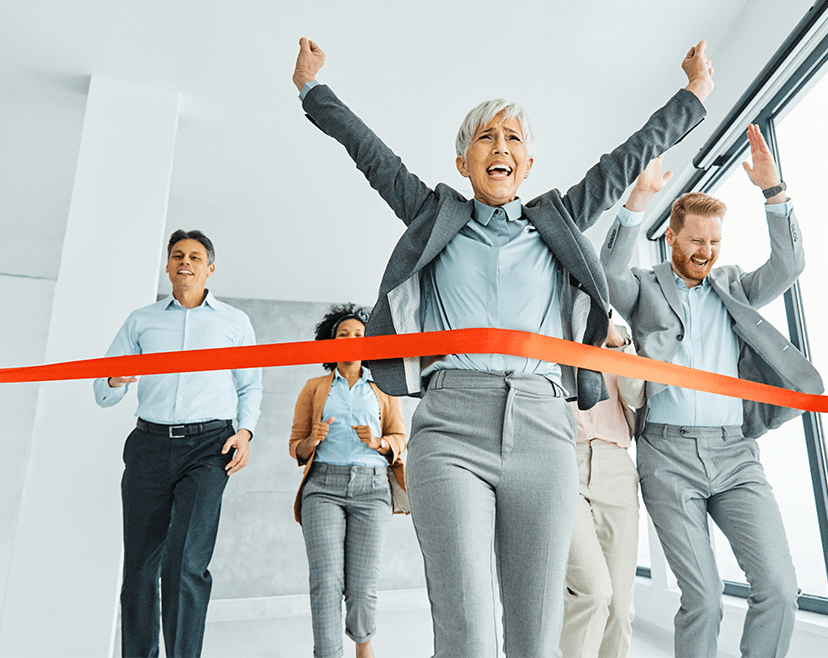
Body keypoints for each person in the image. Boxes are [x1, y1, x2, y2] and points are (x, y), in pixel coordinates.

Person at [291, 36, 712, 657]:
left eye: (513, 139)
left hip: (544, 429)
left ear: (528, 166)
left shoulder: (558, 222)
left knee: (535, 638)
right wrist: (311, 88)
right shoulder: (434, 215)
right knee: (466, 635)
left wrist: (694, 95)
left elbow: (628, 157)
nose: (501, 148)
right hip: (451, 428)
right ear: (464, 162)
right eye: (487, 138)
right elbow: (372, 156)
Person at [600, 126, 824, 658]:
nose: (706, 251)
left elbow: (789, 265)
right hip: (668, 455)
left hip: (735, 455)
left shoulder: (735, 286)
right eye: (696, 240)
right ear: (673, 237)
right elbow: (607, 271)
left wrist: (775, 193)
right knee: (704, 598)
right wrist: (638, 201)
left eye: (715, 242)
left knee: (780, 590)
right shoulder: (646, 288)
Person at [94, 229, 262, 658]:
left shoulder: (234, 323)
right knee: (140, 569)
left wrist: (245, 433)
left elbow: (250, 387)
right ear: (168, 266)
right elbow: (102, 389)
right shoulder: (141, 321)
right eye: (176, 255)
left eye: (194, 256)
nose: (184, 261)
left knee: (184, 563)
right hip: (148, 447)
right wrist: (114, 379)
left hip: (209, 449)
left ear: (209, 269)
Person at [288, 304, 406, 658]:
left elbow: (400, 437)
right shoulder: (314, 388)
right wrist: (313, 440)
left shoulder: (383, 389)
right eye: (343, 335)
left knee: (363, 583)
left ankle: (363, 645)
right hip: (323, 487)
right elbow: (296, 445)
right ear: (331, 343)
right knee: (326, 582)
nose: (352, 340)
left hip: (372, 490)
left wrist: (379, 442)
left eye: (360, 335)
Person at [560, 320, 645, 658]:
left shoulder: (615, 330)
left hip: (616, 466)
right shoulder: (542, 322)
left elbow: (637, 395)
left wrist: (620, 342)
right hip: (563, 461)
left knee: (621, 608)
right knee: (593, 593)